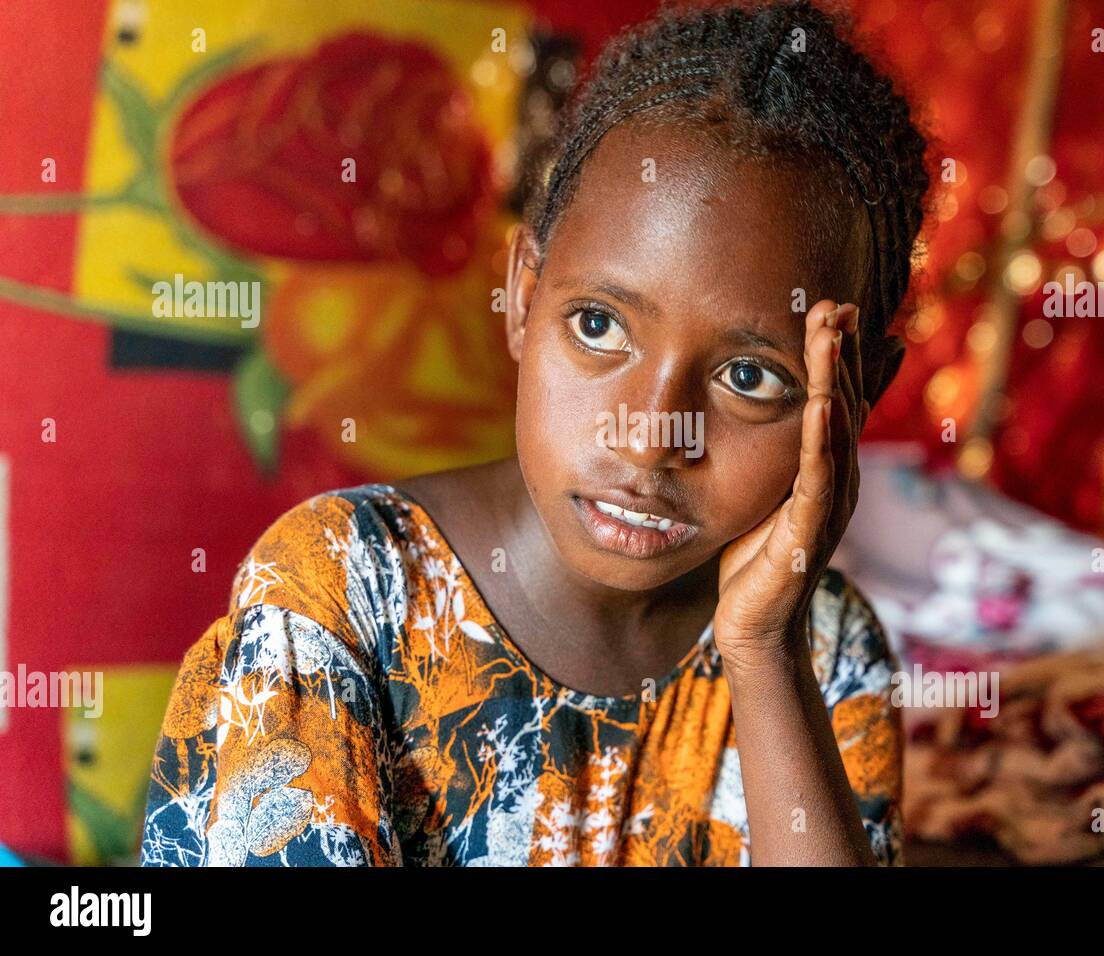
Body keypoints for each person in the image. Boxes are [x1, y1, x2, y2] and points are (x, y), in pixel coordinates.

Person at [141, 0, 929, 867]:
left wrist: (763, 652)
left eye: (750, 378)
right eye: (598, 326)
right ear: (521, 296)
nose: (649, 437)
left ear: (852, 399)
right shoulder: (340, 595)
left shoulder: (824, 649)